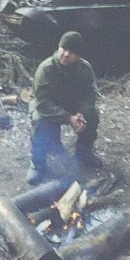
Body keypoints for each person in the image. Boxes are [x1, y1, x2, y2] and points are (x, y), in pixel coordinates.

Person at [27, 31, 103, 185]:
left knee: (92, 114)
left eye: (72, 51)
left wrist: (81, 113)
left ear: (79, 55)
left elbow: (89, 94)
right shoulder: (45, 69)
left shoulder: (85, 68)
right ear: (58, 48)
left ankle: (84, 152)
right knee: (39, 120)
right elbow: (42, 103)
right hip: (47, 106)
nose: (67, 54)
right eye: (64, 48)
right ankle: (37, 163)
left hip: (72, 104)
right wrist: (68, 118)